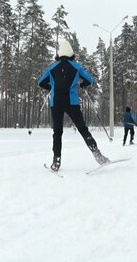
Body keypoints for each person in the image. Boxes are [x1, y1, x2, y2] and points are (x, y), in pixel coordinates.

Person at [37, 40, 107, 172]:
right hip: (72, 102)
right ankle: (98, 155)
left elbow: (41, 82)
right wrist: (82, 84)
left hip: (56, 103)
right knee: (82, 129)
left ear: (59, 54)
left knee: (57, 132)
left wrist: (51, 87)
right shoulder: (76, 67)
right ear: (71, 54)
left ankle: (56, 161)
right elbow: (89, 80)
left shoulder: (52, 68)